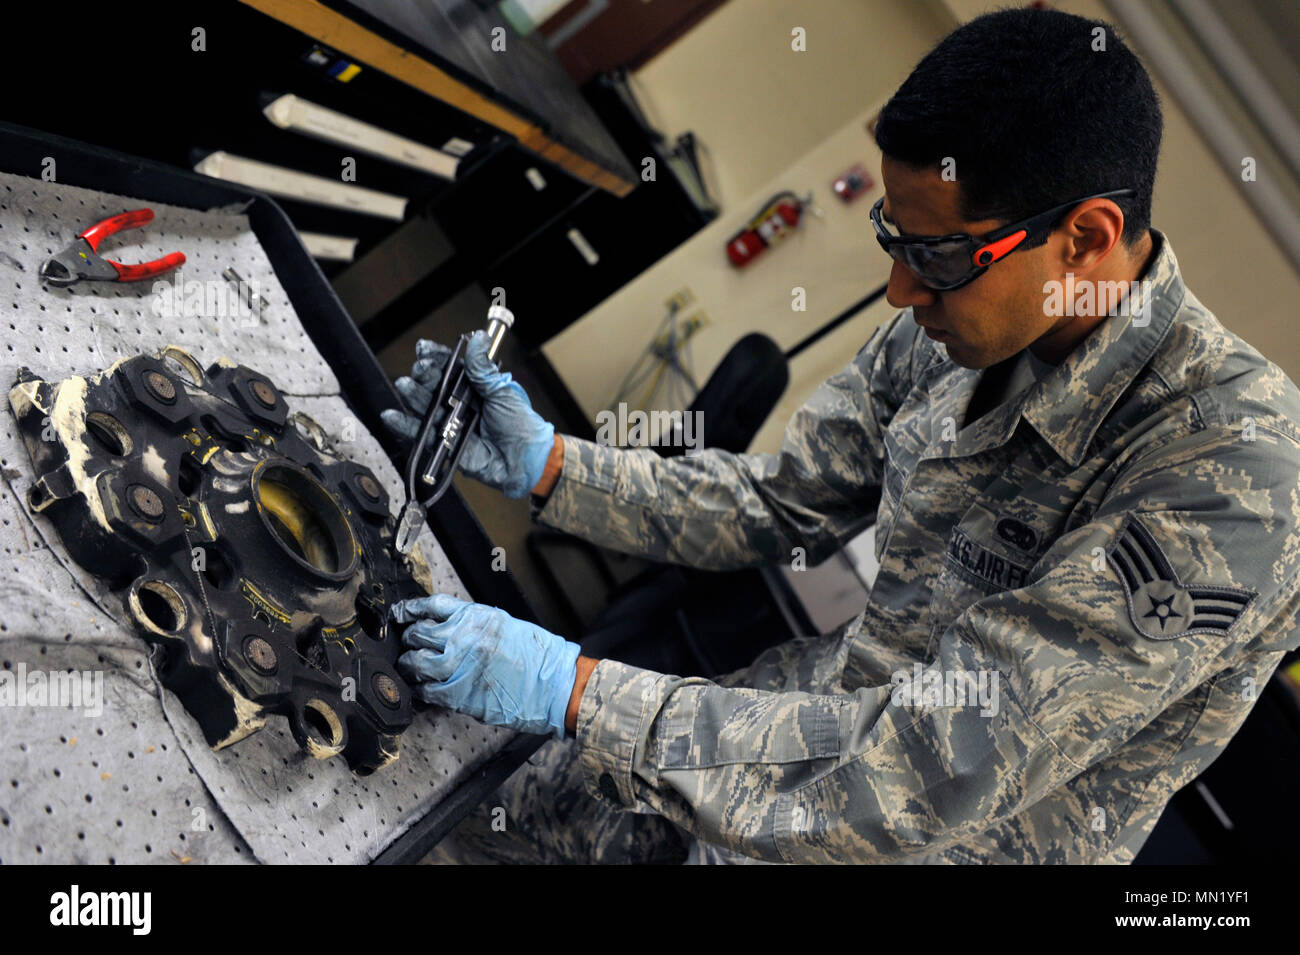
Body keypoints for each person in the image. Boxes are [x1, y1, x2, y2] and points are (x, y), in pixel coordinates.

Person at [381, 7, 1300, 864]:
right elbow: (780, 502)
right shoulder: (953, 318)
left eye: (937, 257)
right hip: (764, 732)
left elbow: (930, 761)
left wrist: (581, 694)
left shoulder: (1235, 467)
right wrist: (551, 465)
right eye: (893, 241)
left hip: (906, 836)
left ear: (1086, 238)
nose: (901, 295)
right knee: (449, 812)